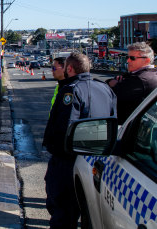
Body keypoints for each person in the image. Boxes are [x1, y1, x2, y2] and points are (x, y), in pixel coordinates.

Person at [43, 52, 117, 228]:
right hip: (97, 157)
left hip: (69, 159)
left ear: (69, 68)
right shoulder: (105, 88)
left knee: (62, 208)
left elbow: (64, 127)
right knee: (89, 211)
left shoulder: (71, 90)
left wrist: (55, 149)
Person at [107, 42, 157, 124]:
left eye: (132, 58)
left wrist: (113, 83)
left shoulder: (139, 79)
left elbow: (112, 95)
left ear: (147, 60)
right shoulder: (152, 73)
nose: (128, 60)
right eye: (128, 57)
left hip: (129, 127)